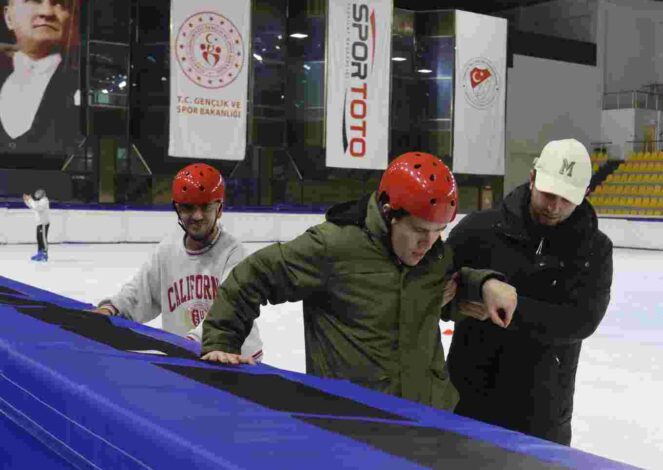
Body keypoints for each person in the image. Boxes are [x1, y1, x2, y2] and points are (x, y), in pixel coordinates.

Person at [199, 152, 518, 411]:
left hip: (429, 420)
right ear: (390, 211)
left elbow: (444, 288)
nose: (430, 243)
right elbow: (253, 276)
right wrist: (222, 341)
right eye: (420, 231)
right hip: (356, 423)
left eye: (439, 233)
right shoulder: (332, 247)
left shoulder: (432, 254)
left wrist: (484, 284)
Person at [446, 138, 614, 445]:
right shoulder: (478, 231)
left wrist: (511, 306)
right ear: (533, 177)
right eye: (549, 194)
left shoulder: (595, 250)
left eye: (567, 199)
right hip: (468, 400)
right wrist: (475, 287)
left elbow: (581, 320)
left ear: (586, 194)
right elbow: (435, 288)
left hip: (544, 413)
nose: (555, 206)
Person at [93, 163, 263, 361]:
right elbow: (139, 293)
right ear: (177, 209)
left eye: (206, 206)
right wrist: (111, 309)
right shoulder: (167, 251)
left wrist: (191, 342)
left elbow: (229, 311)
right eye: (188, 207)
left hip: (236, 360)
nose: (197, 216)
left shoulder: (234, 253)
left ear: (220, 208)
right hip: (187, 356)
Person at [0, 0, 80, 159]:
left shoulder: (82, 84)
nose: (47, 12)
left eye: (60, 4)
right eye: (33, 1)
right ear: (8, 17)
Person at [22, 187, 49, 261]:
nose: (36, 194)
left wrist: (30, 199)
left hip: (43, 223)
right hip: (39, 223)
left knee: (43, 239)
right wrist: (26, 200)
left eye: (38, 193)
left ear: (42, 194)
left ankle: (44, 254)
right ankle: (40, 253)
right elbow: (32, 206)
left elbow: (37, 207)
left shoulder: (44, 200)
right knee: (39, 239)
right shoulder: (40, 201)